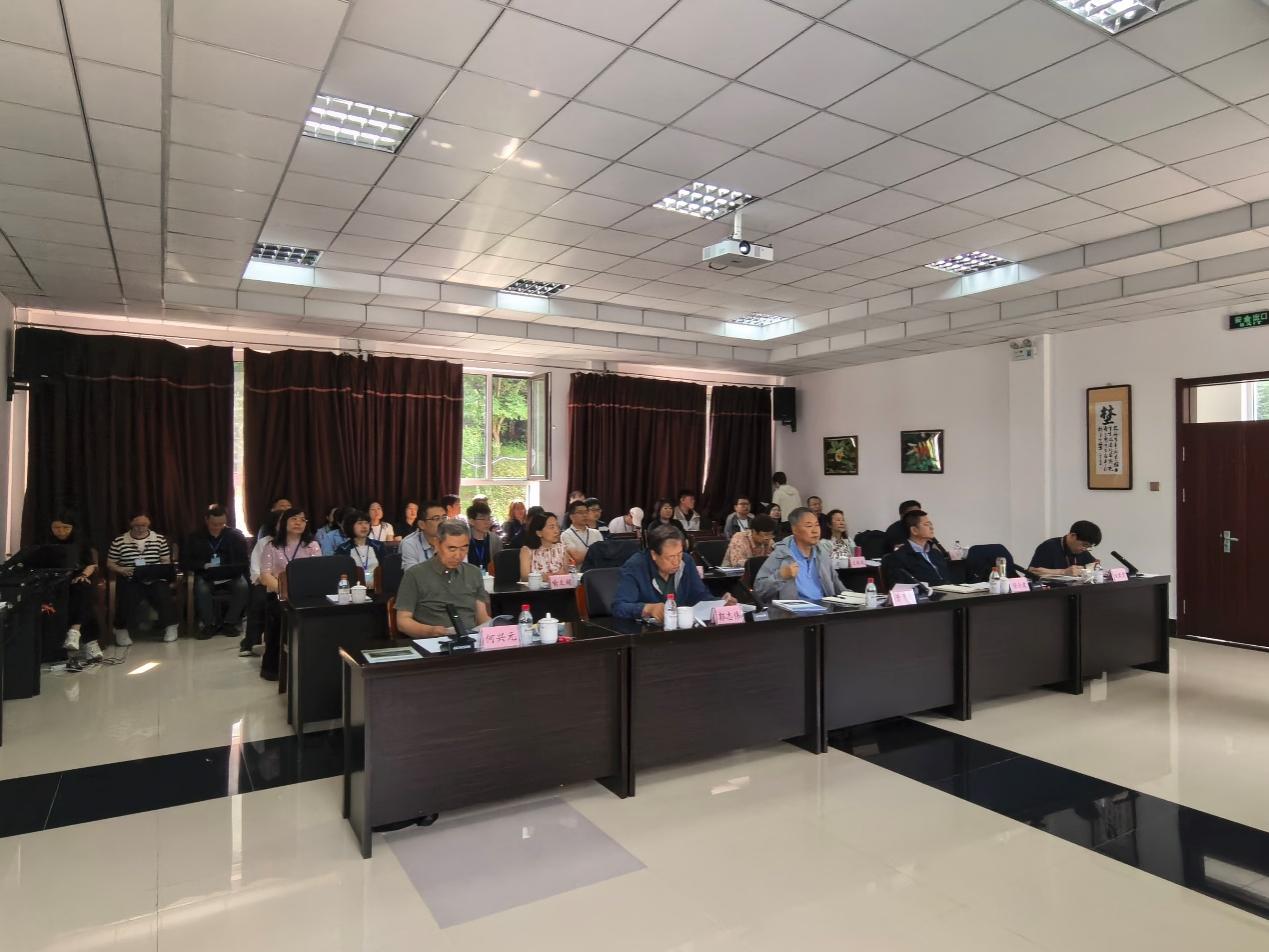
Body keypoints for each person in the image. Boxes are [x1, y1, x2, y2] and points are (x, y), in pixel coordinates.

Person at [612, 524, 729, 621]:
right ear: (654, 554)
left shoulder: (686, 561)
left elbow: (699, 595)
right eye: (670, 557)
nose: (677, 561)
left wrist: (720, 603)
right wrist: (647, 608)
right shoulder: (635, 566)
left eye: (679, 554)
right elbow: (619, 607)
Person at [395, 520, 492, 637]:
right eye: (452, 549)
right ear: (437, 543)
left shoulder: (473, 573)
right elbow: (403, 622)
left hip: (471, 639)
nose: (458, 555)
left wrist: (495, 627)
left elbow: (482, 616)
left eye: (464, 548)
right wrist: (431, 631)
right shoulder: (415, 574)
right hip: (432, 641)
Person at [258, 507, 322, 681]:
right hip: (279, 595)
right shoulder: (272, 546)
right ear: (284, 523)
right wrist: (285, 591)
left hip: (306, 595)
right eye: (294, 519)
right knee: (278, 615)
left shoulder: (312, 546)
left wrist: (301, 592)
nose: (298, 523)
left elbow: (317, 572)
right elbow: (265, 575)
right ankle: (273, 669)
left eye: (302, 520)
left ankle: (311, 664)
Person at [107, 513, 177, 645]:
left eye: (144, 525)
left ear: (148, 524)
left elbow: (165, 561)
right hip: (131, 577)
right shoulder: (119, 541)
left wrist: (160, 572)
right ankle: (121, 629)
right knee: (127, 596)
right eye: (137, 525)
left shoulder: (159, 539)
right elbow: (110, 563)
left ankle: (171, 626)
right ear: (131, 524)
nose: (140, 528)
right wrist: (121, 570)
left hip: (154, 577)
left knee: (162, 594)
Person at [182, 504, 250, 640]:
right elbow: (185, 561)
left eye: (221, 524)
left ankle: (230, 622)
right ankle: (209, 624)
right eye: (214, 524)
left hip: (230, 574)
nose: (218, 527)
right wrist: (203, 565)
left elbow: (243, 560)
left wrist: (232, 567)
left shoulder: (235, 535)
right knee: (202, 589)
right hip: (206, 574)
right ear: (206, 520)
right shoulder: (195, 537)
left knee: (242, 586)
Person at [754, 507, 845, 603]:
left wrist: (855, 598)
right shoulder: (781, 554)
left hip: (826, 607)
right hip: (795, 610)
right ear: (795, 529)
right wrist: (780, 576)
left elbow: (839, 588)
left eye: (817, 525)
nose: (815, 531)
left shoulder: (822, 553)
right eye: (809, 526)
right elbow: (759, 591)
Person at [47, 510, 103, 666]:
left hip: (77, 578)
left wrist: (83, 575)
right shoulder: (45, 542)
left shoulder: (81, 542)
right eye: (56, 528)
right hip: (55, 581)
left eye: (65, 527)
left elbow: (91, 565)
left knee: (82, 587)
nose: (61, 531)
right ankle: (90, 643)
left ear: (72, 527)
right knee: (84, 601)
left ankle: (74, 631)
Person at [886, 510, 950, 586]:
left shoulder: (936, 553)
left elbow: (947, 578)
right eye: (926, 524)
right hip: (925, 593)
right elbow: (901, 587)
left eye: (931, 524)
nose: (931, 527)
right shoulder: (899, 557)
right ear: (914, 530)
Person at [1028, 521, 1102, 578]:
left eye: (1089, 547)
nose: (1085, 549)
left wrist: (1095, 568)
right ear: (1073, 536)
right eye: (1084, 545)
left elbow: (1094, 567)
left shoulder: (1083, 552)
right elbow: (1032, 572)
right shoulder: (1049, 546)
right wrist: (1064, 572)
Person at [335, 509, 384, 588]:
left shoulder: (379, 546)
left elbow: (386, 570)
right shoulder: (343, 549)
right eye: (360, 523)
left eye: (366, 523)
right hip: (353, 590)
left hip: (377, 589)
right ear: (351, 526)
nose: (364, 526)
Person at [519, 510, 573, 581]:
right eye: (552, 527)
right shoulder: (527, 550)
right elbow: (525, 577)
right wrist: (545, 577)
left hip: (558, 587)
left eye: (557, 526)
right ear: (539, 533)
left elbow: (567, 572)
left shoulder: (561, 548)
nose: (557, 531)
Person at [401, 500, 445, 569]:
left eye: (444, 517)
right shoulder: (410, 544)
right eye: (436, 518)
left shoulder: (453, 541)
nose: (442, 522)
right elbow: (412, 574)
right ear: (422, 525)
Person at [465, 502, 503, 571]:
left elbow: (499, 565)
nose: (487, 522)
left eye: (489, 518)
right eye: (482, 519)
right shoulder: (463, 539)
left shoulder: (495, 540)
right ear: (471, 521)